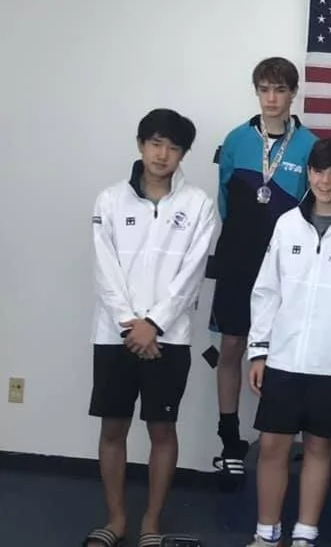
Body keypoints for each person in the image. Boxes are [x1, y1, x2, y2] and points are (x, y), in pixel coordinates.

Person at [85, 109, 217, 547]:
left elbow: (191, 273)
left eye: (174, 147)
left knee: (162, 430)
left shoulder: (198, 204)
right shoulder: (109, 200)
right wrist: (132, 326)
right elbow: (106, 270)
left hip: (169, 337)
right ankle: (117, 519)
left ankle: (151, 524)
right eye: (156, 143)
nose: (163, 155)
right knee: (113, 428)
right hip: (115, 335)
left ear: (183, 154)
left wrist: (154, 324)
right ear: (141, 145)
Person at [244, 138, 331, 547]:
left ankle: (305, 535)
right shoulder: (287, 223)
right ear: (308, 173)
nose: (326, 181)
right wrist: (259, 350)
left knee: (319, 449)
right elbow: (267, 291)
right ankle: (266, 534)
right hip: (283, 360)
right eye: (319, 171)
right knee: (272, 447)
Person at [209, 57, 318, 489]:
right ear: (256, 92)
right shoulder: (236, 139)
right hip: (238, 257)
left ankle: (272, 438)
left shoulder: (309, 144)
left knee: (280, 349)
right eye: (264, 90)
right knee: (233, 345)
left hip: (284, 262)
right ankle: (229, 440)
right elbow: (224, 198)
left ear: (294, 94)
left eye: (280, 90)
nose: (272, 99)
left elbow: (313, 207)